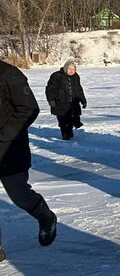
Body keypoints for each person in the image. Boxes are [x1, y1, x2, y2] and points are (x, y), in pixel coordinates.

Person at [1, 60, 58, 260]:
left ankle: (45, 215)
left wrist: (6, 134)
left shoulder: (9, 74)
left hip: (9, 149)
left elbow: (29, 108)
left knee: (19, 195)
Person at [45, 60, 87, 140]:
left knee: (71, 118)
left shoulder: (76, 77)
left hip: (73, 102)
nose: (72, 71)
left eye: (73, 69)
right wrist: (51, 100)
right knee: (63, 119)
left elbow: (79, 89)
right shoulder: (57, 76)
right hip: (60, 102)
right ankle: (65, 135)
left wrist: (83, 100)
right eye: (69, 69)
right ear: (65, 69)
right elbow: (50, 89)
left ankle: (70, 133)